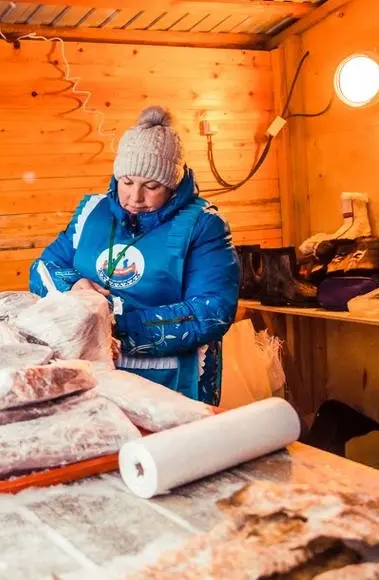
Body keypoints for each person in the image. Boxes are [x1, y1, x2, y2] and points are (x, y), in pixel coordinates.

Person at [29, 106, 239, 405]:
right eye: (126, 182)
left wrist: (111, 329)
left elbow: (212, 311)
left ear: (173, 184)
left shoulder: (204, 226)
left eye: (151, 186)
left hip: (169, 380)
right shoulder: (93, 212)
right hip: (92, 377)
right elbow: (44, 267)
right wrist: (74, 285)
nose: (135, 197)